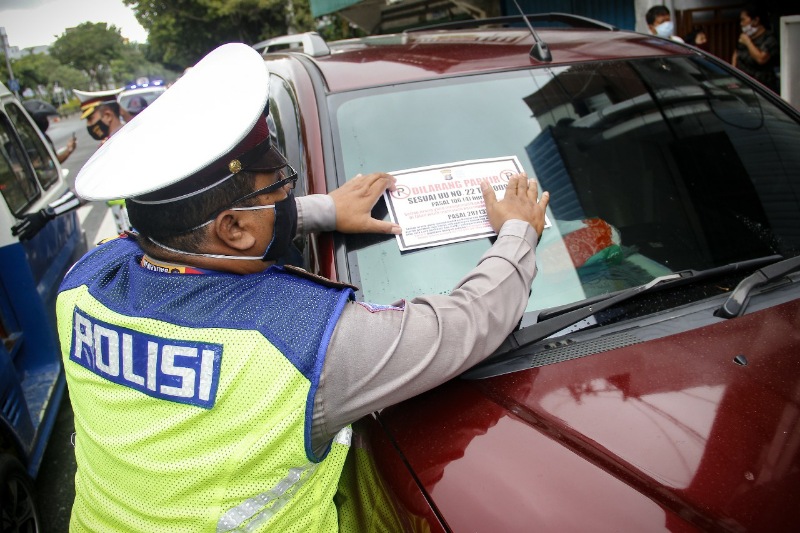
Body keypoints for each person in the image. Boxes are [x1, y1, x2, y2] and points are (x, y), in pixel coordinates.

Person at [56, 43, 550, 531]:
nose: (289, 195)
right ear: (233, 230)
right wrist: (518, 232)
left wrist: (322, 211)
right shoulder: (303, 342)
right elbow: (467, 322)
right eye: (278, 190)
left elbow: (168, 240)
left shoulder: (84, 281)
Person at [11, 89, 125, 241]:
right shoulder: (116, 140)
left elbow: (87, 187)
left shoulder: (119, 144)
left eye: (90, 118)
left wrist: (47, 214)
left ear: (107, 116)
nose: (89, 125)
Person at [732, 4, 779, 93]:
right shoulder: (745, 37)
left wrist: (748, 42)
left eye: (743, 20)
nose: (741, 24)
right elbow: (736, 54)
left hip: (762, 86)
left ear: (756, 20)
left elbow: (761, 59)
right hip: (743, 84)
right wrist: (734, 74)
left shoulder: (769, 39)